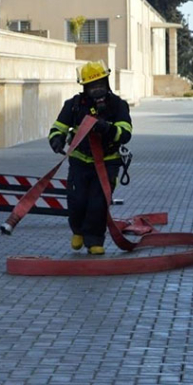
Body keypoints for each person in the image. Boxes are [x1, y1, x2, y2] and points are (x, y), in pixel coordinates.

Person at [47, 61, 132, 255]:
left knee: (98, 202)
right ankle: (78, 231)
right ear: (85, 88)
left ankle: (94, 241)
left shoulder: (118, 105)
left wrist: (108, 129)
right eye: (93, 87)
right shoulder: (74, 105)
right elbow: (58, 127)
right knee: (77, 200)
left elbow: (126, 132)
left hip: (107, 162)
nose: (98, 91)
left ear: (107, 83)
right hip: (80, 162)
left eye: (101, 85)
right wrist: (56, 140)